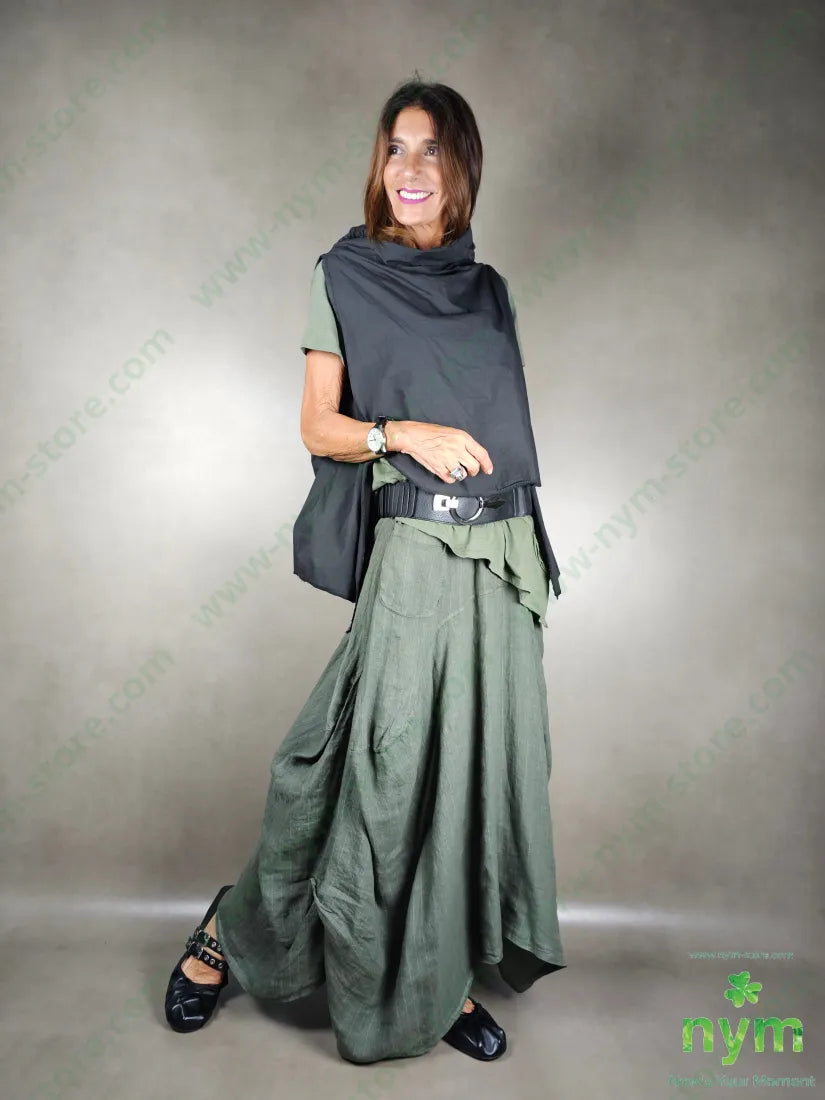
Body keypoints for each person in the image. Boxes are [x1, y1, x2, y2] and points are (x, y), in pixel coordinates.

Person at [164, 76, 566, 1065]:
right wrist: (403, 433)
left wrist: (527, 551)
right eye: (395, 148)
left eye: (431, 149)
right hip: (417, 547)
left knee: (470, 770)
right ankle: (229, 932)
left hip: (503, 555)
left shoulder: (489, 290)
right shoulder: (343, 274)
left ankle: (437, 975)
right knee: (377, 766)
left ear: (462, 166)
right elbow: (318, 425)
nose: (410, 168)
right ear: (378, 164)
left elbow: (506, 432)